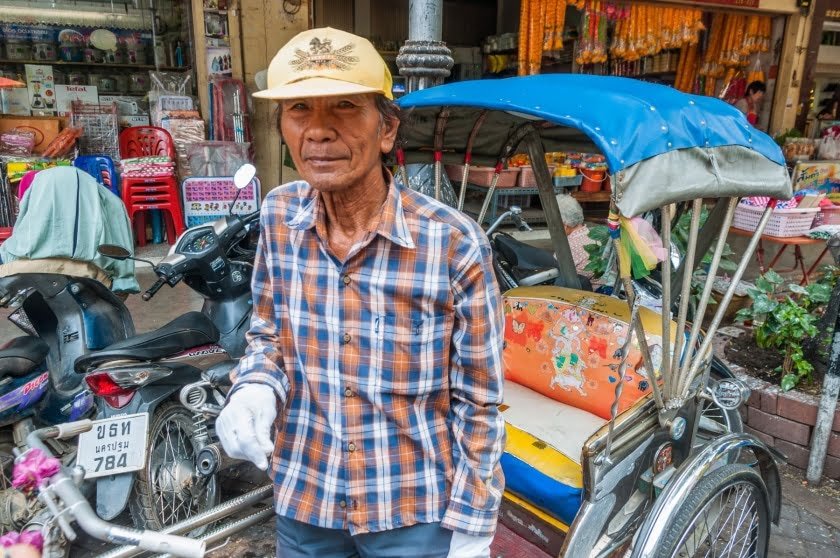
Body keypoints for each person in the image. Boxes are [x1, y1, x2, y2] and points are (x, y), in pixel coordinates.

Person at [215, 27, 505, 558]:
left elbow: (479, 400)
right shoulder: (279, 216)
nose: (319, 132)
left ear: (387, 128)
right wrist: (254, 386)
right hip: (306, 498)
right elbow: (268, 335)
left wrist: (473, 520)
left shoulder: (453, 243)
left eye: (345, 106)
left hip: (414, 511)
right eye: (299, 108)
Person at [555, 194, 593, 280]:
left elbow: (553, 271)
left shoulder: (567, 246)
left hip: (584, 290)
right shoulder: (592, 235)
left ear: (564, 224)